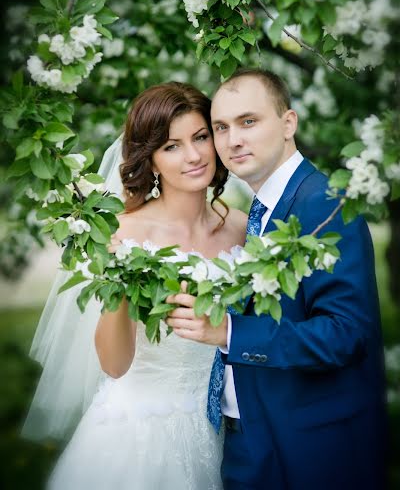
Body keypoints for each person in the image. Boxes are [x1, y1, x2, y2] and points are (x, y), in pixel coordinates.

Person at [166, 69, 387, 490]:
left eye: (248, 121)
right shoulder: (263, 208)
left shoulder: (322, 203)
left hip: (312, 447)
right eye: (221, 128)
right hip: (256, 434)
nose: (233, 140)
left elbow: (345, 332)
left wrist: (230, 331)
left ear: (289, 123)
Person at [22, 81, 247, 490]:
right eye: (171, 146)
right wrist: (119, 280)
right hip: (139, 436)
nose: (194, 155)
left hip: (219, 428)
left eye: (200, 137)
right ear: (152, 160)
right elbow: (113, 365)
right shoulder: (122, 234)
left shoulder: (240, 228)